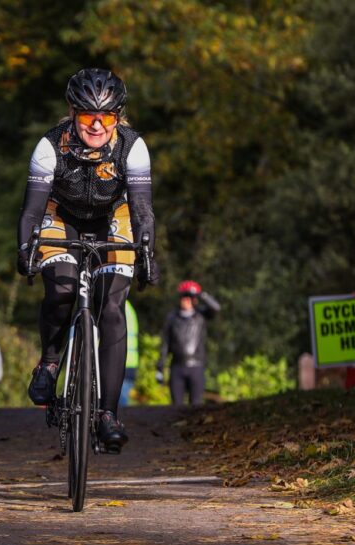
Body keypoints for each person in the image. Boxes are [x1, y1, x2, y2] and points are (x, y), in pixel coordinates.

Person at [16, 68, 160, 452]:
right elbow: (31, 212)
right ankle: (49, 363)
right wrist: (24, 249)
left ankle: (108, 414)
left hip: (114, 217)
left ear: (118, 117)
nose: (97, 125)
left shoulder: (133, 146)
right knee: (62, 288)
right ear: (72, 112)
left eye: (106, 117)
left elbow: (143, 211)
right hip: (61, 215)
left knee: (112, 307)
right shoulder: (50, 147)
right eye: (87, 116)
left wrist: (147, 251)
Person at [155, 280, 221, 406]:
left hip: (196, 366)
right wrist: (160, 367)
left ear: (194, 300)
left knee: (196, 405)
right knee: (176, 406)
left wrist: (201, 294)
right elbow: (165, 344)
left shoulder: (200, 315)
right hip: (177, 367)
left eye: (189, 297)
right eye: (183, 297)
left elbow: (216, 308)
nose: (186, 300)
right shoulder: (172, 317)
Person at [118, 300, 139, 408]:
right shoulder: (129, 308)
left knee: (120, 400)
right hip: (131, 362)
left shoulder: (116, 306)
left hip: (119, 362)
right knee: (123, 398)